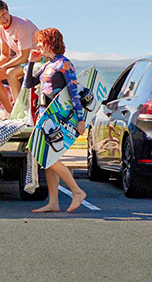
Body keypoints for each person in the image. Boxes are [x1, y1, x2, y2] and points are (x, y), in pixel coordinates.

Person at [24, 28, 88, 213]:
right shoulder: (47, 65)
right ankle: (54, 202)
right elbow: (29, 84)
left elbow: (74, 92)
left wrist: (80, 119)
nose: (37, 46)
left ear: (49, 42)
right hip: (45, 114)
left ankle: (77, 191)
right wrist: (31, 62)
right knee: (48, 157)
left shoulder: (64, 64)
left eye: (40, 42)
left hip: (58, 115)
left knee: (43, 155)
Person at [0, 0, 39, 113]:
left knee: (11, 73)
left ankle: (21, 113)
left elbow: (24, 56)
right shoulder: (0, 29)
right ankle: (12, 113)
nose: (3, 19)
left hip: (40, 60)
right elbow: (5, 55)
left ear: (8, 10)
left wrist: (1, 67)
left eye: (4, 14)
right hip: (26, 61)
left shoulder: (22, 25)